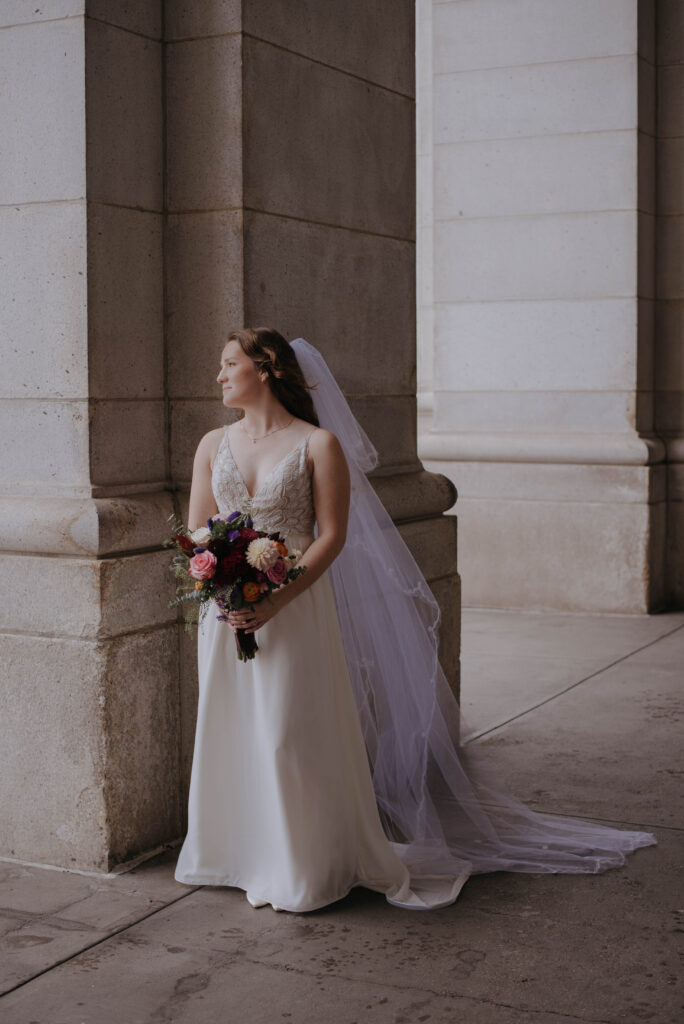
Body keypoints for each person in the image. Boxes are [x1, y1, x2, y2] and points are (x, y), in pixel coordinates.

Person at [174, 327, 657, 913]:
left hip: (293, 611)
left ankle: (303, 865)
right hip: (228, 614)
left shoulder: (317, 444)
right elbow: (198, 528)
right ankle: (233, 854)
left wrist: (277, 598)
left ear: (267, 367)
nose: (220, 375)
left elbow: (332, 537)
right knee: (230, 727)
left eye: (230, 364)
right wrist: (221, 583)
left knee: (286, 735)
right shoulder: (210, 444)